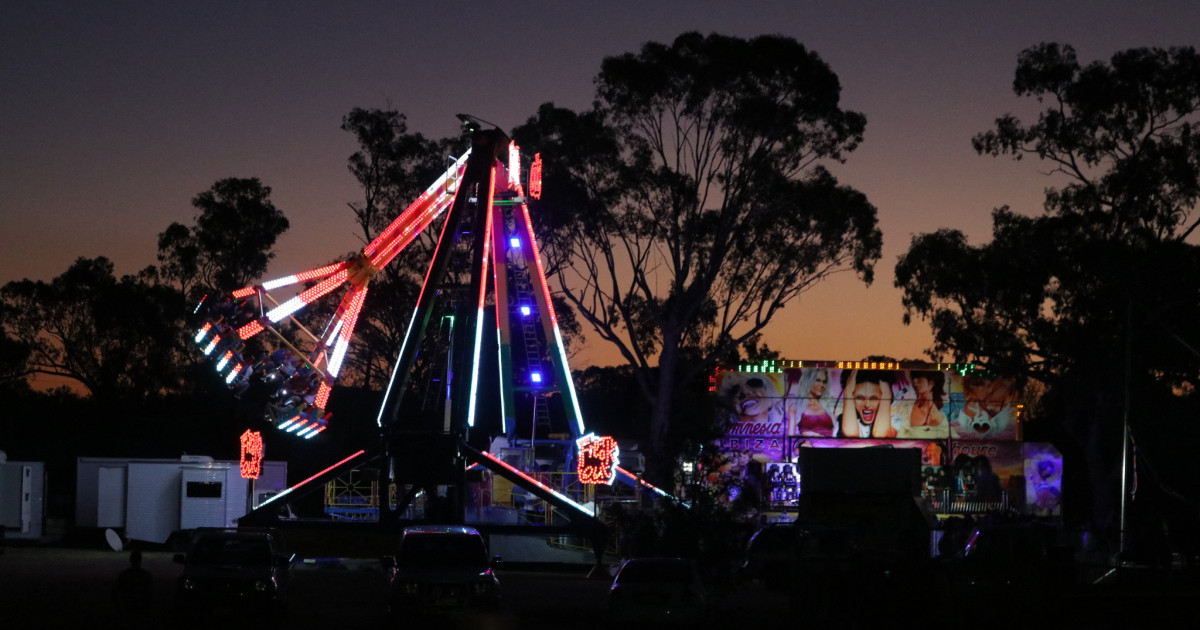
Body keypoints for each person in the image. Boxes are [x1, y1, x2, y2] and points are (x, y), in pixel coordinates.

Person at [837, 369, 894, 438]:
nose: (867, 405)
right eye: (859, 397)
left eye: (873, 398)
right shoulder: (842, 419)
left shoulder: (894, 419)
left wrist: (887, 394)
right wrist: (848, 393)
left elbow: (880, 435)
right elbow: (851, 435)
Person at [893, 370, 948, 438]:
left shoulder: (941, 418)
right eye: (913, 379)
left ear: (931, 384)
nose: (915, 382)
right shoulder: (905, 407)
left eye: (919, 379)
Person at [785, 368, 836, 437]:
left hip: (830, 446)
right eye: (818, 380)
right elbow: (790, 438)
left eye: (824, 382)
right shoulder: (795, 407)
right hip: (808, 446)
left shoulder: (829, 405)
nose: (822, 385)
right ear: (808, 381)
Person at [114, 549, 154, 628]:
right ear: (140, 560)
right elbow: (150, 592)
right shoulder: (146, 575)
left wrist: (118, 605)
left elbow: (115, 591)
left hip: (128, 605)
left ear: (130, 559)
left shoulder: (124, 574)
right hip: (141, 606)